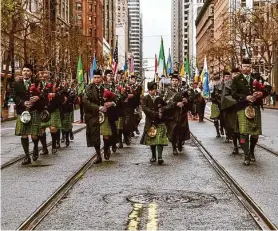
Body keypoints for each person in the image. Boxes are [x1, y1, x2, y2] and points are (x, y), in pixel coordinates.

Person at [231, 58, 272, 165]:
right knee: (243, 133)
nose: (246, 68)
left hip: (255, 107)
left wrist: (261, 94)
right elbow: (233, 94)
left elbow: (268, 88)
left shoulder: (257, 77)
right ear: (241, 67)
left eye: (248, 66)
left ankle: (252, 151)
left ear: (251, 67)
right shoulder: (236, 79)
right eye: (244, 66)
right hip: (242, 107)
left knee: (255, 133)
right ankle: (246, 155)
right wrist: (245, 97)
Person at [14, 64, 45, 165]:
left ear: (31, 72)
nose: (25, 72)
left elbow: (44, 94)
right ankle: (27, 156)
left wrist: (38, 98)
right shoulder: (17, 84)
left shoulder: (37, 83)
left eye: (27, 71)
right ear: (22, 72)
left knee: (34, 135)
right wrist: (23, 102)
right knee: (23, 134)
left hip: (34, 110)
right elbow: (15, 97)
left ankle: (35, 147)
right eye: (24, 71)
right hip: (22, 111)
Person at [84, 69, 116, 164]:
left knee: (106, 134)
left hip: (106, 114)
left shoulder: (107, 87)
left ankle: (106, 148)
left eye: (98, 77)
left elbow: (117, 97)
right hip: (93, 115)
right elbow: (86, 102)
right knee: (95, 136)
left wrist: (112, 103)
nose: (96, 79)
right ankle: (98, 155)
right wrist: (98, 108)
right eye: (95, 78)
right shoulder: (88, 88)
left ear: (102, 78)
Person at [140, 81, 168, 165]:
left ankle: (160, 157)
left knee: (159, 140)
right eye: (152, 89)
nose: (154, 91)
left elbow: (165, 106)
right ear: (149, 90)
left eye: (155, 89)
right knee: (152, 140)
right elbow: (145, 109)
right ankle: (153, 156)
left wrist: (162, 110)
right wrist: (155, 113)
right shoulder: (145, 98)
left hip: (159, 122)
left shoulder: (159, 98)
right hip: (150, 122)